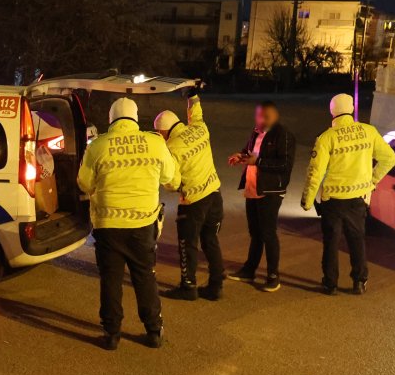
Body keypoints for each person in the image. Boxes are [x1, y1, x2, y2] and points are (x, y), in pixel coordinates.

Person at [77, 97, 177, 350]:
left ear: (111, 119)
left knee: (110, 280)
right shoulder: (154, 143)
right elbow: (170, 177)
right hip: (142, 223)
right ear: (134, 117)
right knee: (144, 277)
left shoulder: (98, 145)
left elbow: (84, 183)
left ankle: (111, 334)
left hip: (108, 225)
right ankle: (154, 331)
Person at [300, 93, 395, 295]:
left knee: (331, 243)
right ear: (351, 109)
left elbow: (315, 173)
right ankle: (359, 282)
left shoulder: (326, 138)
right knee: (357, 241)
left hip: (333, 202)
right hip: (358, 200)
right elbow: (389, 158)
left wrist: (307, 200)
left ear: (332, 111)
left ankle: (330, 283)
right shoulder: (368, 132)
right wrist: (372, 181)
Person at [153, 86, 225, 301]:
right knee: (211, 241)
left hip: (193, 203)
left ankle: (188, 286)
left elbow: (172, 181)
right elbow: (197, 114)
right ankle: (215, 286)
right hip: (215, 195)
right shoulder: (200, 128)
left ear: (163, 131)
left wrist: (170, 187)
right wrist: (192, 97)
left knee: (188, 244)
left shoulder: (171, 147)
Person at [228, 101, 296, 292]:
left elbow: (284, 165)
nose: (261, 119)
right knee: (255, 233)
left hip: (270, 191)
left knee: (268, 233)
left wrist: (258, 161)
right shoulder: (256, 132)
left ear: (275, 116)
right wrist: (241, 156)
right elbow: (251, 152)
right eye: (258, 115)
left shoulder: (283, 135)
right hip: (252, 188)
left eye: (265, 116)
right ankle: (249, 269)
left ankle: (273, 276)